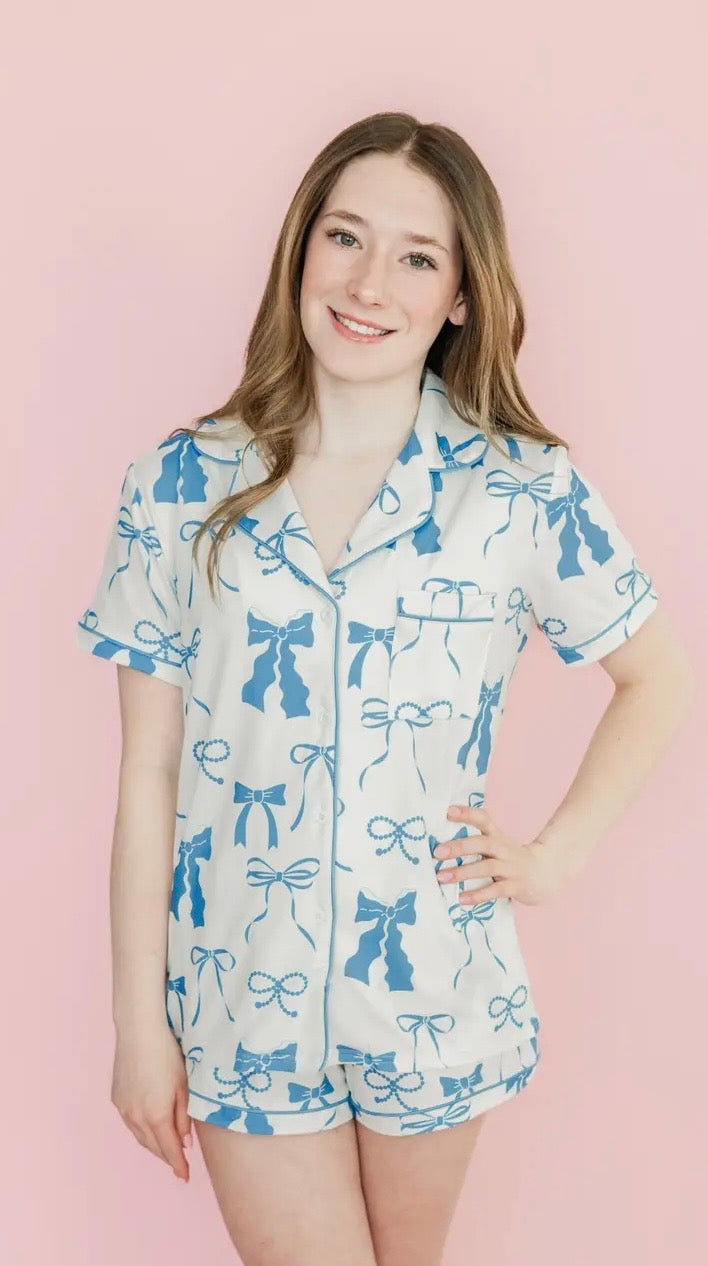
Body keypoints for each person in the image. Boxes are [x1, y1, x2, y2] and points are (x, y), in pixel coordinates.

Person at [75, 111, 693, 1266]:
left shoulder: (519, 490)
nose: (369, 284)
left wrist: (553, 857)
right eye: (345, 237)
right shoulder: (179, 483)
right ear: (301, 248)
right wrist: (138, 1026)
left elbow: (657, 677)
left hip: (435, 996)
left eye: (417, 257)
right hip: (242, 992)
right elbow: (148, 771)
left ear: (460, 295)